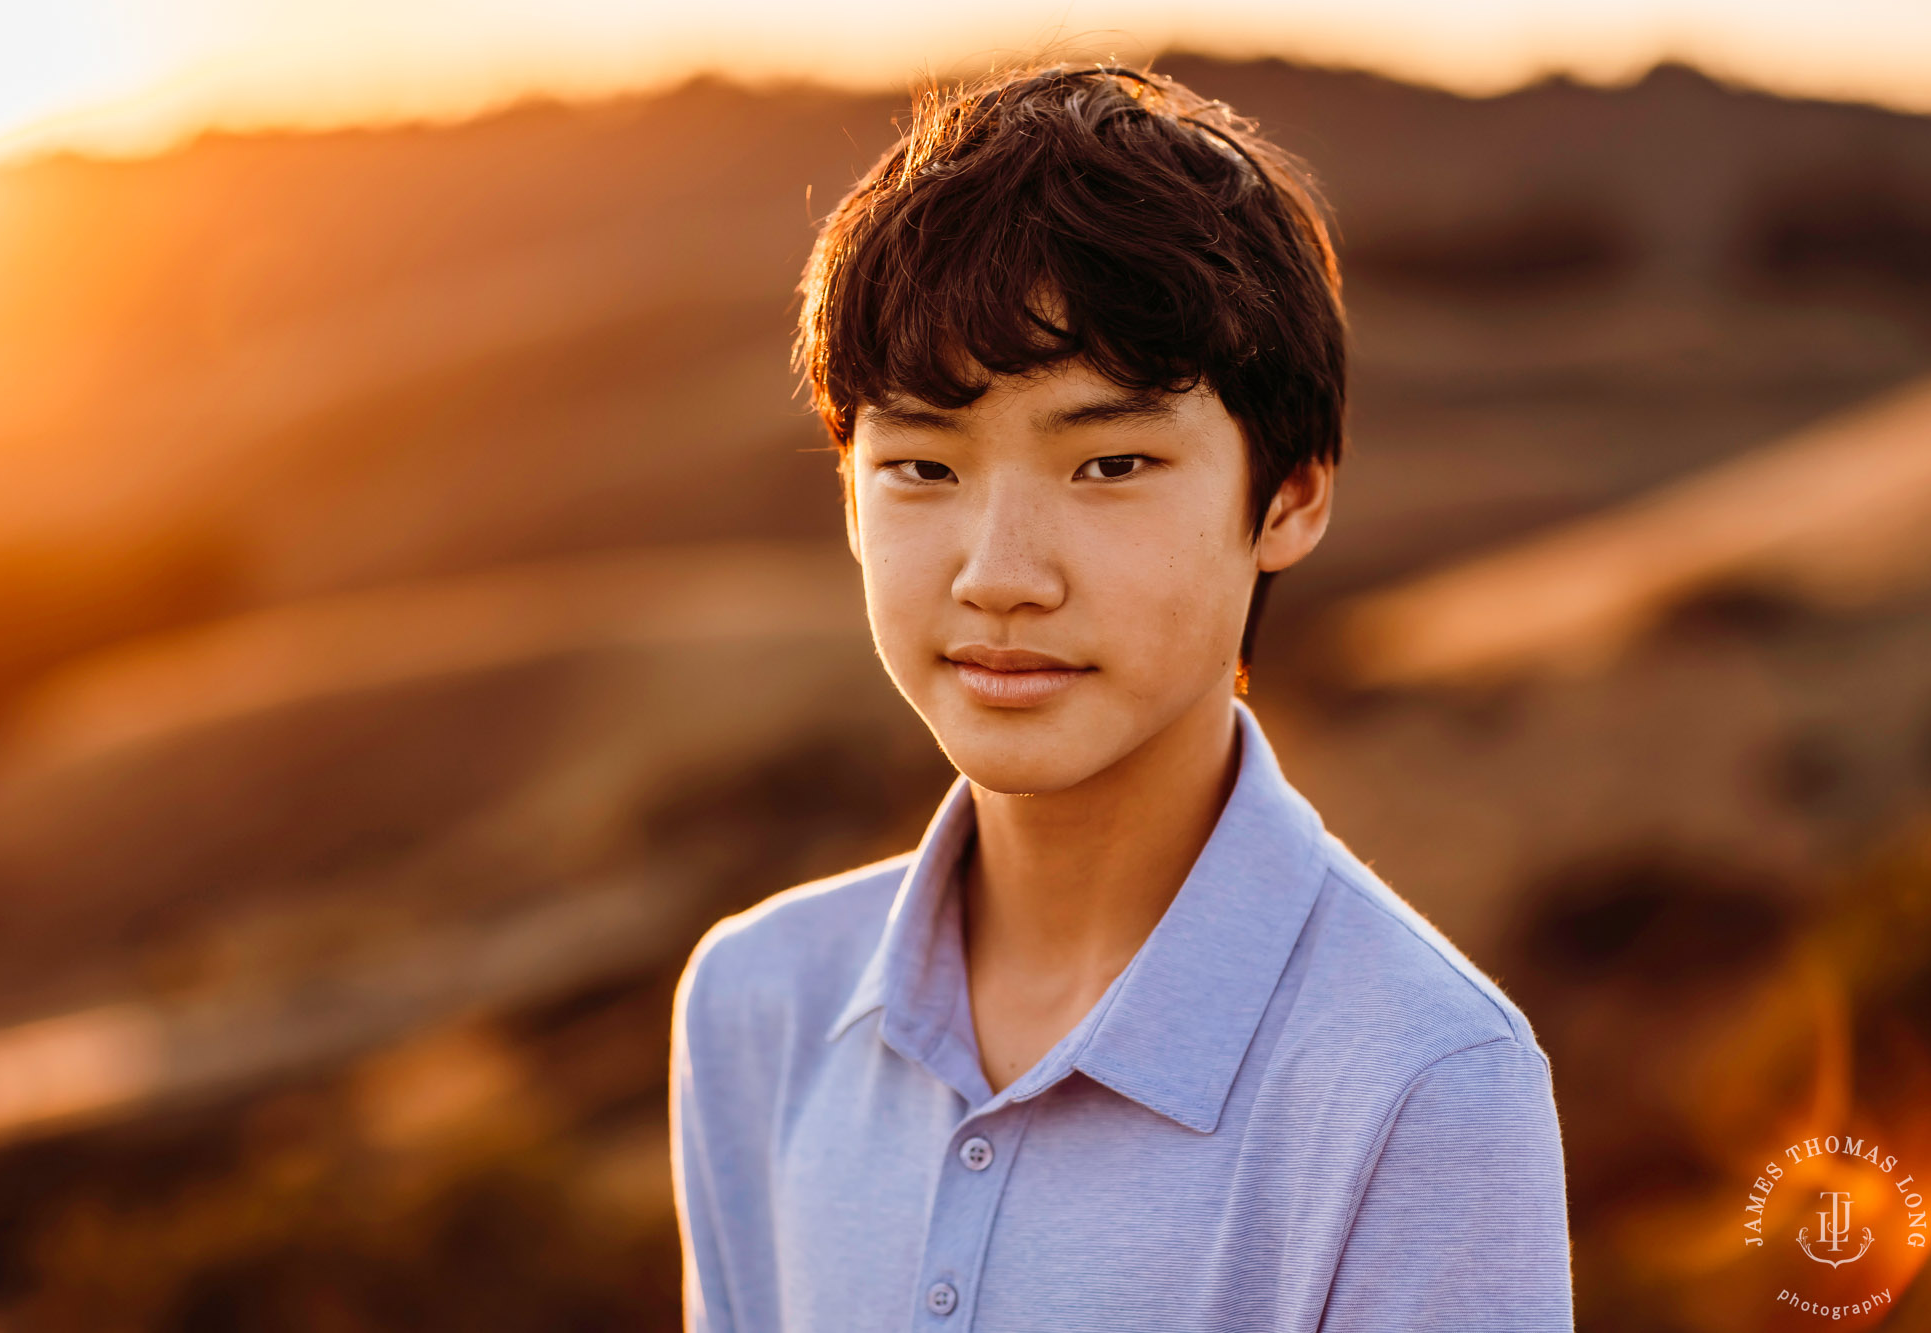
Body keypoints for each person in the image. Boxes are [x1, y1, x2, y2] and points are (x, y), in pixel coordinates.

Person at [668, 62, 1573, 1332]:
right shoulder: (757, 1002)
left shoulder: (1419, 1080)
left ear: (1290, 495)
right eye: (921, 465)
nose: (999, 577)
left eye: (1108, 462)